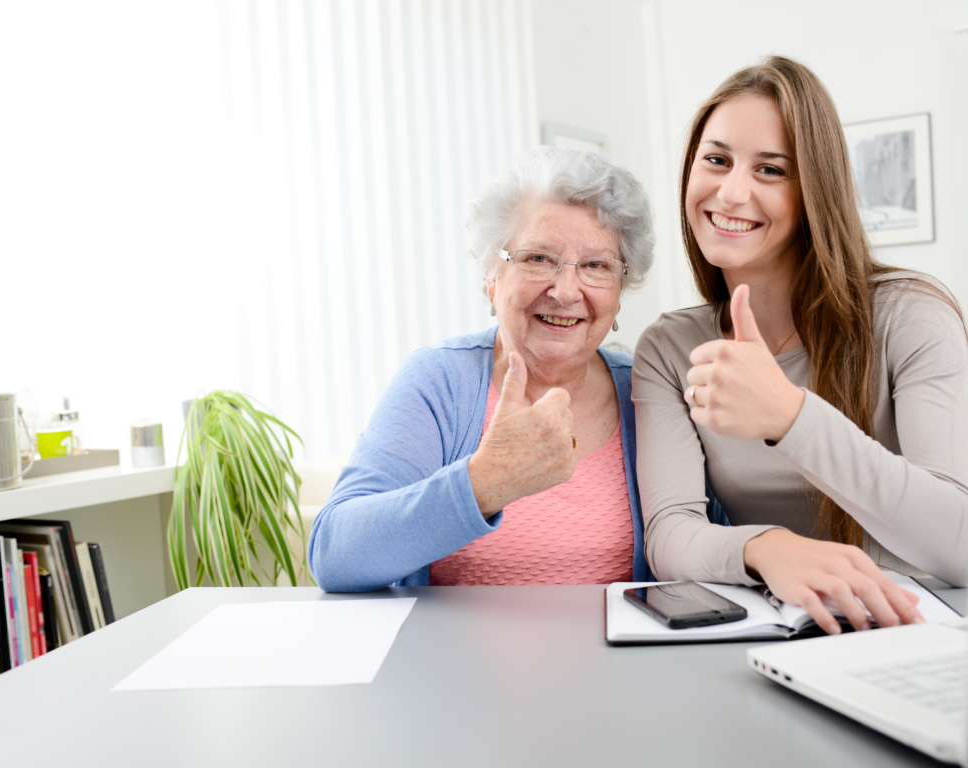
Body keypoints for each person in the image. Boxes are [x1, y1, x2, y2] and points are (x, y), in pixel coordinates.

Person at [633, 55, 968, 635]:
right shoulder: (670, 346)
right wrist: (767, 548)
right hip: (776, 632)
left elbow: (958, 542)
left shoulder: (910, 315)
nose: (731, 192)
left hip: (920, 630)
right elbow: (671, 533)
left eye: (771, 170)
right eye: (716, 160)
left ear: (816, 189)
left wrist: (790, 417)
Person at [310, 146, 723, 592]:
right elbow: (334, 554)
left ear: (620, 291)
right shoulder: (440, 381)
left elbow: (713, 541)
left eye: (596, 266)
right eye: (537, 258)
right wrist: (484, 483)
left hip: (617, 661)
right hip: (455, 662)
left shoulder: (649, 390)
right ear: (492, 275)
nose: (565, 291)